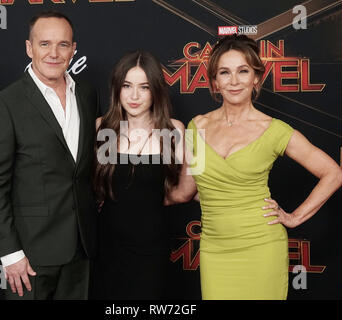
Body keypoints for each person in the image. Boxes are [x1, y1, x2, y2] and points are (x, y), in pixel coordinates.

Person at [166, 34, 342, 300]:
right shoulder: (197, 127)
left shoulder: (273, 130)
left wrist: (294, 217)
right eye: (225, 72)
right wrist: (130, 195)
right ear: (214, 81)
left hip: (262, 248)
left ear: (256, 78)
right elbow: (186, 190)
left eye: (243, 71)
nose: (234, 81)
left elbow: (333, 173)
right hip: (216, 251)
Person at [0, 11, 99, 300]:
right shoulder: (5, 104)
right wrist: (10, 254)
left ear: (73, 49)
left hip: (81, 247)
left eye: (62, 44)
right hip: (30, 254)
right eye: (44, 44)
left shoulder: (86, 94)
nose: (54, 53)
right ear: (29, 48)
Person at [93, 50, 184, 299]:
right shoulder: (103, 127)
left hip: (152, 247)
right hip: (108, 246)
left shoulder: (174, 130)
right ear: (117, 89)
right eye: (127, 86)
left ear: (156, 90)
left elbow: (190, 188)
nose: (134, 96)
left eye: (144, 87)